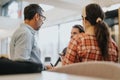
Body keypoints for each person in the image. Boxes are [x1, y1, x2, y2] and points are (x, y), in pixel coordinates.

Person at [10, 4, 51, 70]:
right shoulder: (25, 33)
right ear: (37, 16)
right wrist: (42, 68)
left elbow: (29, 60)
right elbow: (22, 64)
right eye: (43, 18)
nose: (43, 22)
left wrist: (44, 67)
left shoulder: (23, 31)